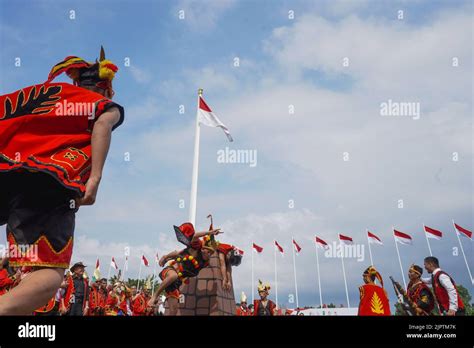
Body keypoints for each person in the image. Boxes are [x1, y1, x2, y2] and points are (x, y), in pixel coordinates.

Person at [0, 46, 124, 315]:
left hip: (10, 180)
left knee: (31, 266)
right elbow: (102, 124)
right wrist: (94, 179)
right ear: (104, 88)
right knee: (50, 275)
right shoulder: (100, 104)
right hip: (49, 183)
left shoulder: (47, 94)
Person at [148, 222, 221, 315]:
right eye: (208, 251)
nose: (210, 254)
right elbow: (193, 237)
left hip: (176, 283)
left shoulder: (205, 263)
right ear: (203, 249)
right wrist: (165, 257)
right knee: (173, 276)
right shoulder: (196, 247)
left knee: (173, 311)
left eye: (211, 253)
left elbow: (179, 254)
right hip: (170, 271)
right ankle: (154, 296)